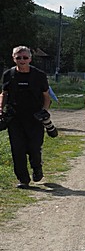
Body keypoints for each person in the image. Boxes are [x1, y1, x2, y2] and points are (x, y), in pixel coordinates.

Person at [0, 46, 51, 188]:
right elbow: (4, 94)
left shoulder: (39, 75)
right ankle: (23, 179)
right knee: (17, 150)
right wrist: (0, 109)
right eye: (18, 57)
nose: (22, 60)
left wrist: (44, 111)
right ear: (13, 58)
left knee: (34, 148)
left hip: (34, 118)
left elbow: (46, 96)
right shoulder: (8, 75)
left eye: (25, 57)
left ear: (30, 58)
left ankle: (37, 168)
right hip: (15, 118)